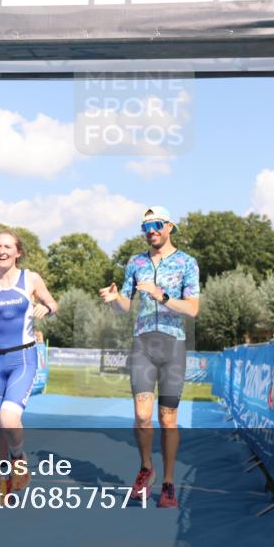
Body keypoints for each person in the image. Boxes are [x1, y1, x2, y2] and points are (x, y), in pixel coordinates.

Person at [100, 206, 200, 508]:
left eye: (156, 224)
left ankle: (168, 483)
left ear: (169, 226)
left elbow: (193, 309)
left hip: (173, 344)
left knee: (167, 419)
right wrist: (114, 299)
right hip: (143, 342)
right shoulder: (136, 262)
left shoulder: (187, 263)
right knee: (142, 416)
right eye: (146, 226)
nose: (151, 230)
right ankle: (146, 468)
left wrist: (163, 296)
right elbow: (126, 306)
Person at [0, 229, 58, 498]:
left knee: (9, 418)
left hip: (23, 357)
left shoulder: (31, 279)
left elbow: (54, 304)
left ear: (17, 252)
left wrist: (47, 308)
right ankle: (3, 480)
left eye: (7, 246)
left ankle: (19, 458)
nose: (1, 251)